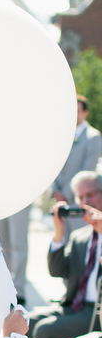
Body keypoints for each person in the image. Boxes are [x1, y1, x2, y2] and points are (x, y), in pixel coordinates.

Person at [28, 171, 102, 338]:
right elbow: (57, 271)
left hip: (97, 314)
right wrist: (59, 233)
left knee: (45, 332)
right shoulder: (80, 237)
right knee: (26, 322)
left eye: (91, 195)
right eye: (81, 197)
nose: (86, 202)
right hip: (74, 307)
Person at [51, 94, 101, 234]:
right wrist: (54, 190)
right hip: (59, 200)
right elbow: (54, 163)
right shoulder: (62, 135)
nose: (74, 115)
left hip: (78, 200)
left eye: (78, 111)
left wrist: (65, 193)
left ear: (86, 113)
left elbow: (87, 169)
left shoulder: (93, 137)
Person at [0, 204, 31, 307]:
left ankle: (18, 289)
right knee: (2, 245)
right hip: (0, 200)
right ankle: (5, 287)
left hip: (20, 199)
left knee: (18, 244)